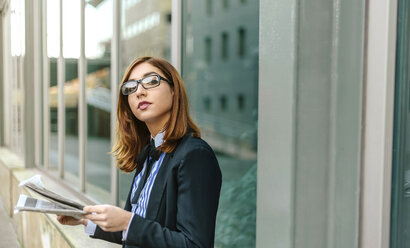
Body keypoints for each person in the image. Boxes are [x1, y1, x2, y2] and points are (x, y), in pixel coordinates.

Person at [57, 56, 222, 248]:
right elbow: (141, 233)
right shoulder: (148, 154)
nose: (139, 92)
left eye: (151, 81)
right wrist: (86, 219)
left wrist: (128, 221)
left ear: (174, 90)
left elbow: (194, 244)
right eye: (131, 87)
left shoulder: (195, 155)